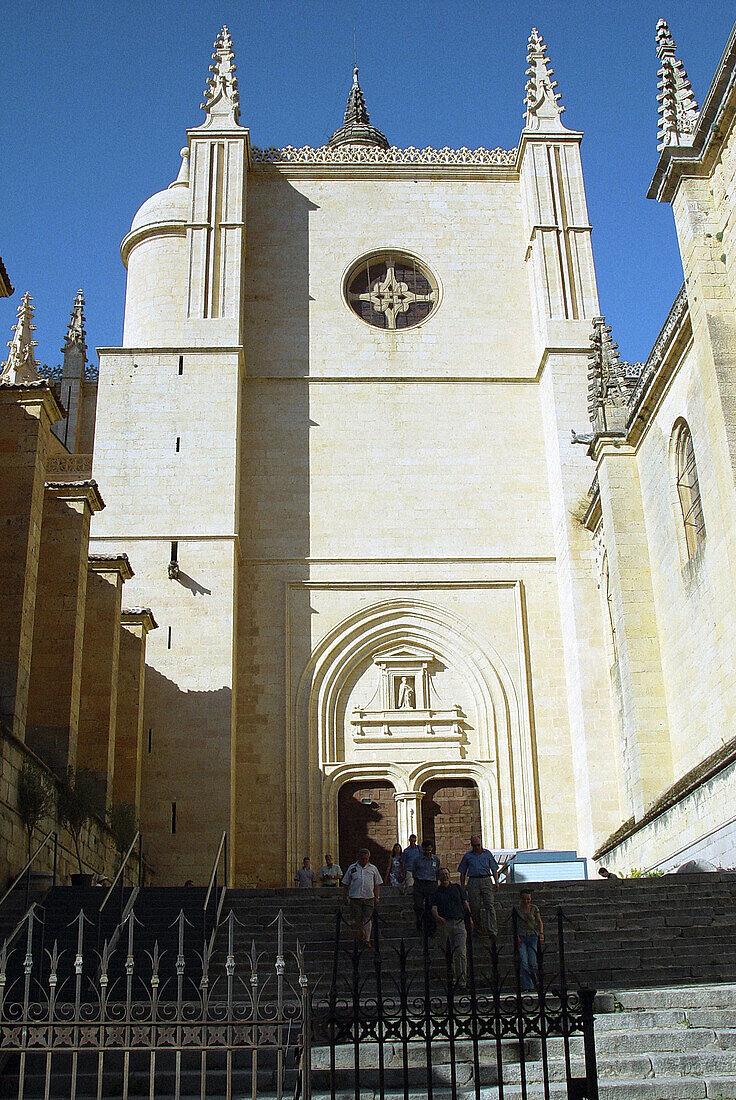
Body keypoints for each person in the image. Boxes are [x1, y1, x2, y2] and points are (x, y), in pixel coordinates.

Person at [431, 867, 473, 987]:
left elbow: (465, 903)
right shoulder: (436, 893)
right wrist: (438, 918)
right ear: (439, 877)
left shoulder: (458, 888)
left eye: (446, 874)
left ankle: (462, 981)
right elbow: (433, 908)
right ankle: (452, 978)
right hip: (446, 924)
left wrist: (470, 918)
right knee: (449, 952)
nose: (445, 876)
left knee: (461, 952)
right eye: (442, 874)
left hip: (459, 922)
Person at [458, 834, 500, 938]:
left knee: (489, 905)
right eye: (474, 845)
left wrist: (496, 881)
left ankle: (492, 930)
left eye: (478, 845)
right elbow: (462, 872)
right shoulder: (468, 856)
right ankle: (478, 929)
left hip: (486, 879)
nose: (476, 847)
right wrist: (462, 886)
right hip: (473, 881)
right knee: (475, 907)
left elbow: (494, 868)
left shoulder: (487, 854)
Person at [342, 848, 383, 946]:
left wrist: (377, 897)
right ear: (359, 858)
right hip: (355, 897)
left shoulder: (373, 868)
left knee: (367, 918)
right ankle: (361, 933)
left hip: (368, 897)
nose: (364, 861)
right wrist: (344, 896)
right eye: (363, 859)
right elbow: (346, 883)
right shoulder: (352, 868)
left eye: (366, 858)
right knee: (357, 918)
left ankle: (367, 939)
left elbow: (377, 883)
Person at [514, 887, 544, 991]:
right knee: (524, 962)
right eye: (524, 899)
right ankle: (527, 985)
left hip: (532, 936)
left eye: (528, 899)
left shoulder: (534, 908)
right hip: (522, 937)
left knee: (533, 961)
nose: (526, 901)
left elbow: (539, 921)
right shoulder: (517, 910)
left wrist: (541, 933)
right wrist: (517, 937)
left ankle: (535, 981)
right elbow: (515, 924)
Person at [413, 839, 441, 936]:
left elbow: (437, 872)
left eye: (429, 850)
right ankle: (419, 920)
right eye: (425, 850)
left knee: (431, 906)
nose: (427, 852)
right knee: (418, 905)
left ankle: (431, 928)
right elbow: (414, 871)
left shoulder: (436, 860)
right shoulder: (417, 860)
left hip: (431, 884)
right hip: (420, 883)